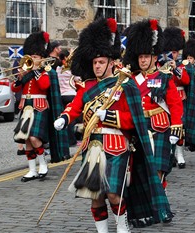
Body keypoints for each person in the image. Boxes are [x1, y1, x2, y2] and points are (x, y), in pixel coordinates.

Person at [54, 17, 173, 232]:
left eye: (101, 62)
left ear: (111, 62)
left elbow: (133, 120)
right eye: (95, 63)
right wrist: (64, 117)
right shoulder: (88, 86)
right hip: (93, 145)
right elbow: (75, 106)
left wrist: (108, 116)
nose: (97, 66)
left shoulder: (124, 84)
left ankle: (122, 227)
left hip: (117, 143)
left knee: (113, 193)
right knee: (95, 195)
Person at [122, 19, 184, 188]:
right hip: (138, 127)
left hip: (158, 128)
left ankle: (159, 205)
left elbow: (175, 104)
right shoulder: (131, 78)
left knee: (157, 171)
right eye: (140, 57)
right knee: (139, 172)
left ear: (154, 57)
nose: (142, 60)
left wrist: (176, 126)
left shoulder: (163, 77)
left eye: (146, 57)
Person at [11, 31, 69, 182]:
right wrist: (19, 78)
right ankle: (32, 170)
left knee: (35, 138)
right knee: (26, 140)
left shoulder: (44, 72)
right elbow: (15, 89)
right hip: (26, 106)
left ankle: (43, 164)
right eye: (31, 57)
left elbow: (44, 85)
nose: (32, 59)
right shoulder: (26, 72)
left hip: (40, 106)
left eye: (35, 57)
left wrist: (36, 71)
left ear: (42, 58)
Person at [162, 26, 188, 168]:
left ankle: (180, 154)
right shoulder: (161, 64)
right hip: (166, 100)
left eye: (175, 52)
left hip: (180, 98)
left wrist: (176, 69)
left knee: (180, 127)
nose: (174, 55)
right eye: (171, 52)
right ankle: (169, 154)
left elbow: (186, 80)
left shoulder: (181, 66)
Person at [181, 38, 195, 153]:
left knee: (194, 119)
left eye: (191, 58)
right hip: (186, 96)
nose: (189, 60)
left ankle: (192, 141)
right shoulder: (183, 68)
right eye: (188, 58)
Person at [56, 49, 80, 146]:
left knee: (64, 117)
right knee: (71, 119)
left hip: (61, 95)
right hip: (70, 94)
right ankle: (72, 140)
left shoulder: (58, 69)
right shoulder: (71, 69)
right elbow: (78, 79)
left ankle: (65, 139)